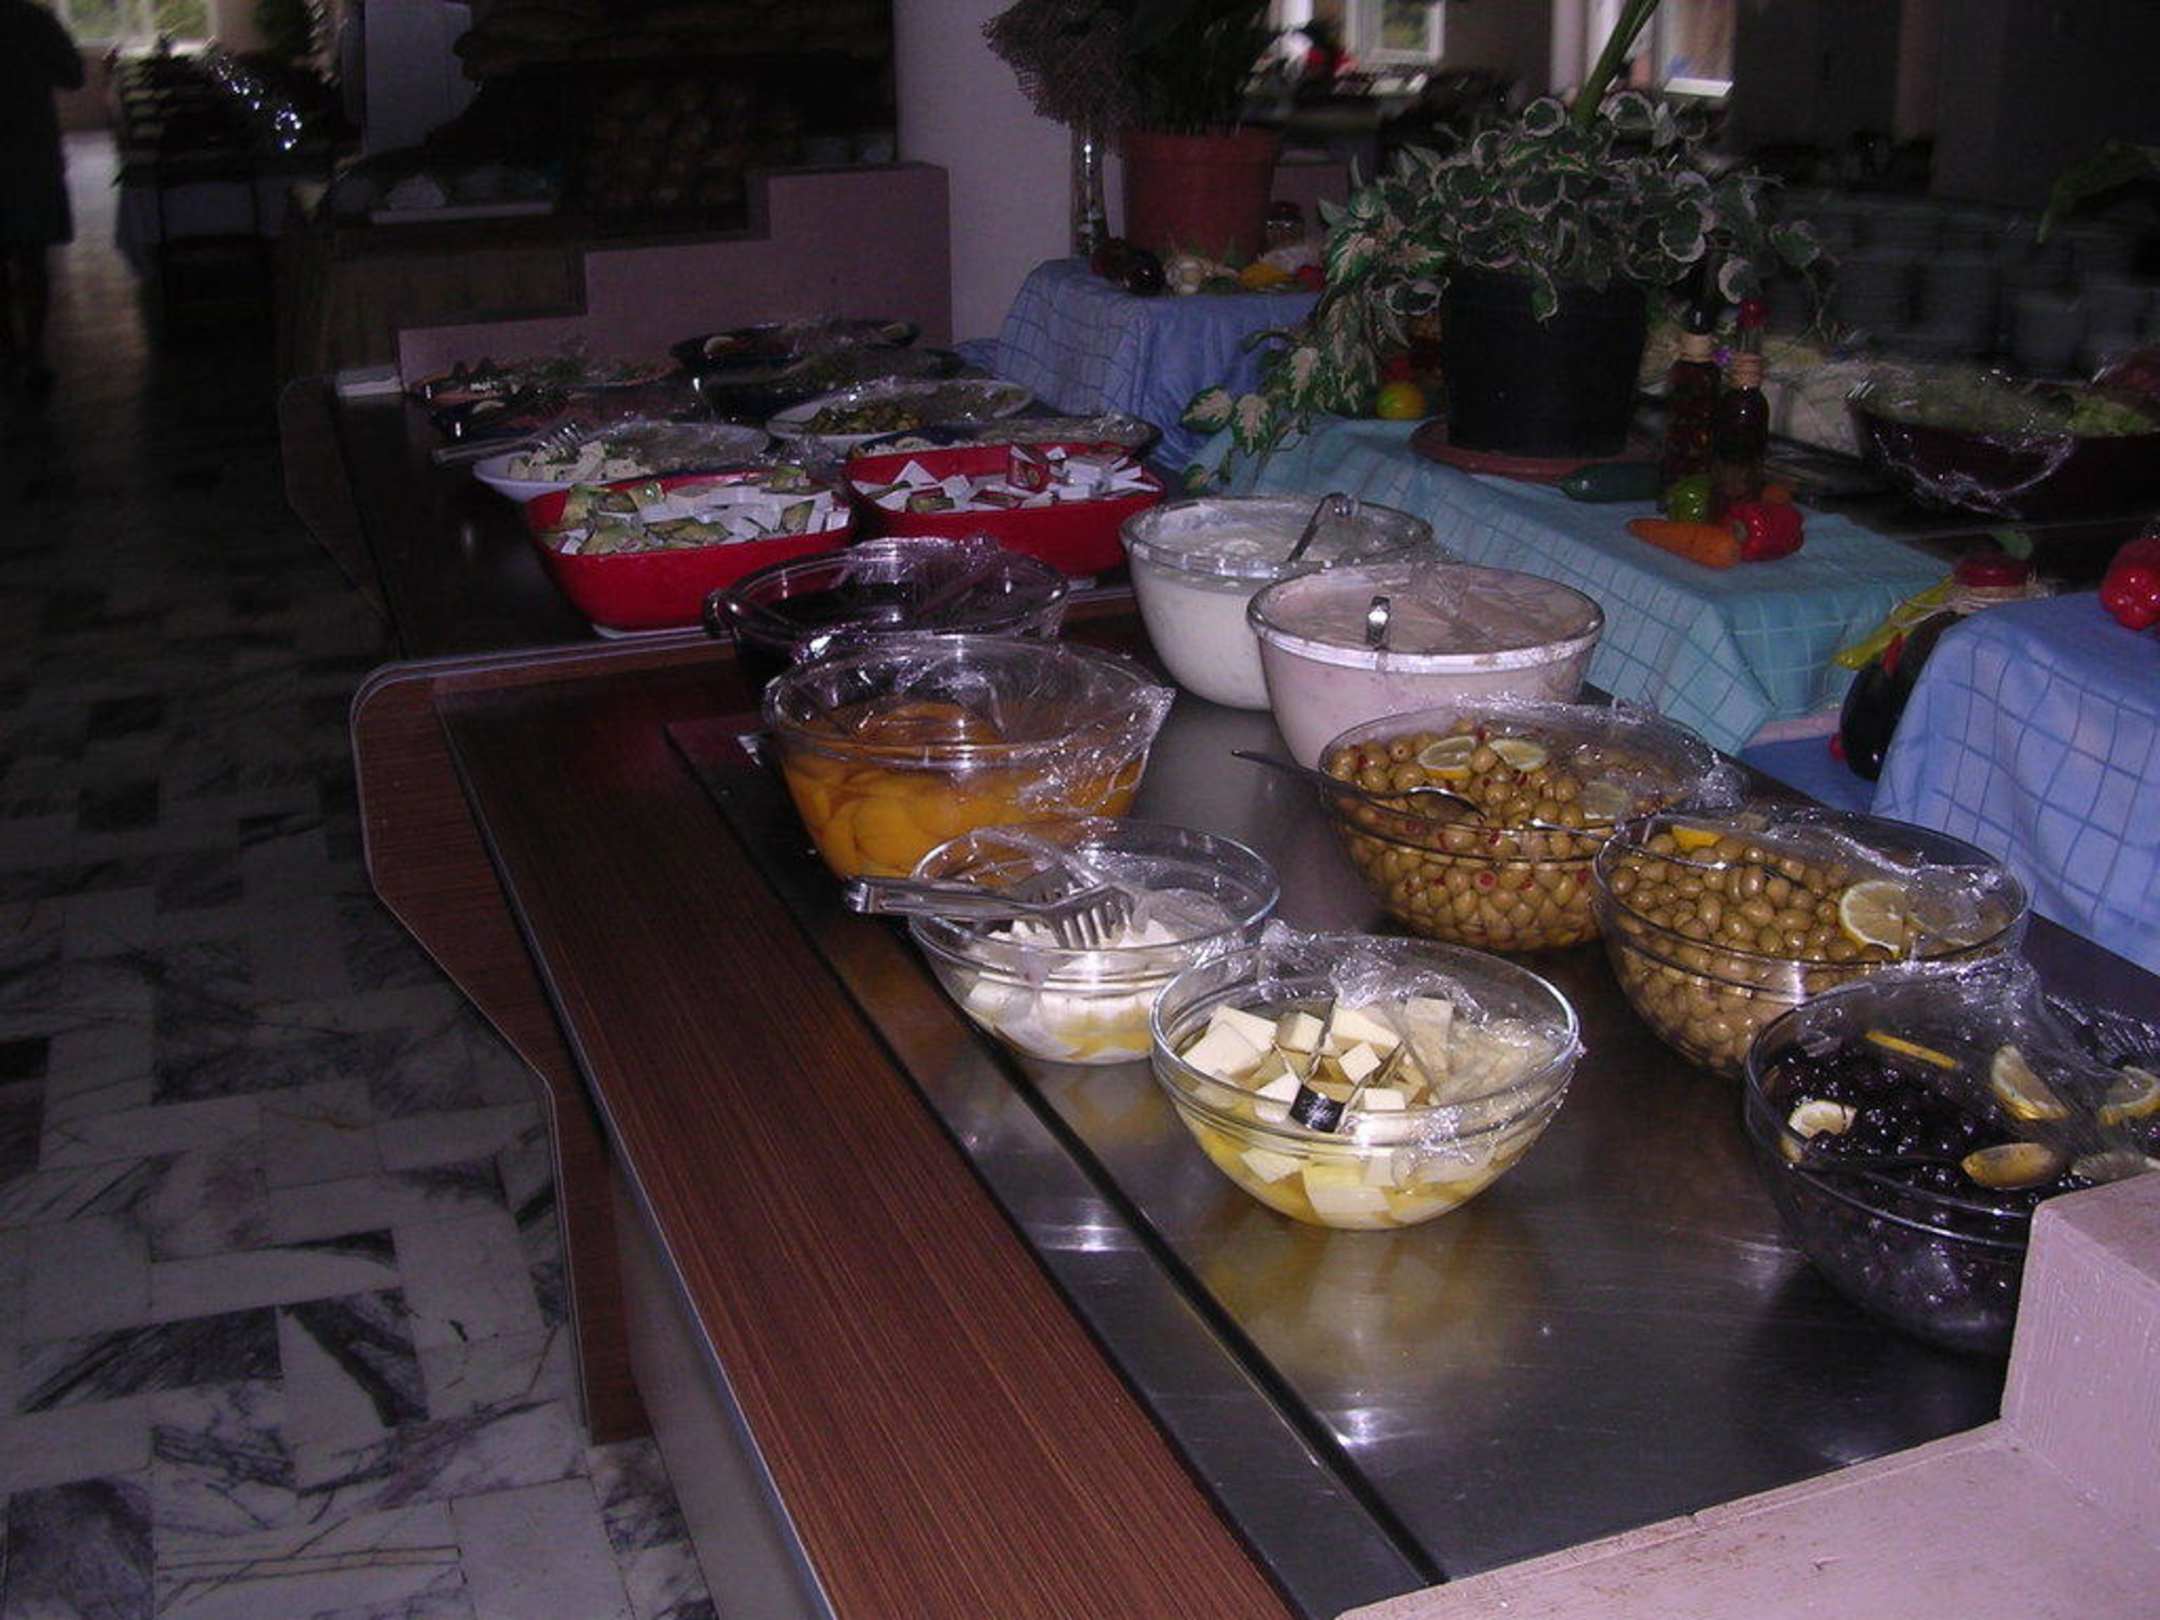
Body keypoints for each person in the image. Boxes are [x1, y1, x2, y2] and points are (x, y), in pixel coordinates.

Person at [0, 0, 85, 398]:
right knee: (32, 260)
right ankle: (30, 352)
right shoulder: (35, 21)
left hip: (29, 156)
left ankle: (14, 352)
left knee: (27, 261)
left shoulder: (35, 21)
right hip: (30, 156)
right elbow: (73, 76)